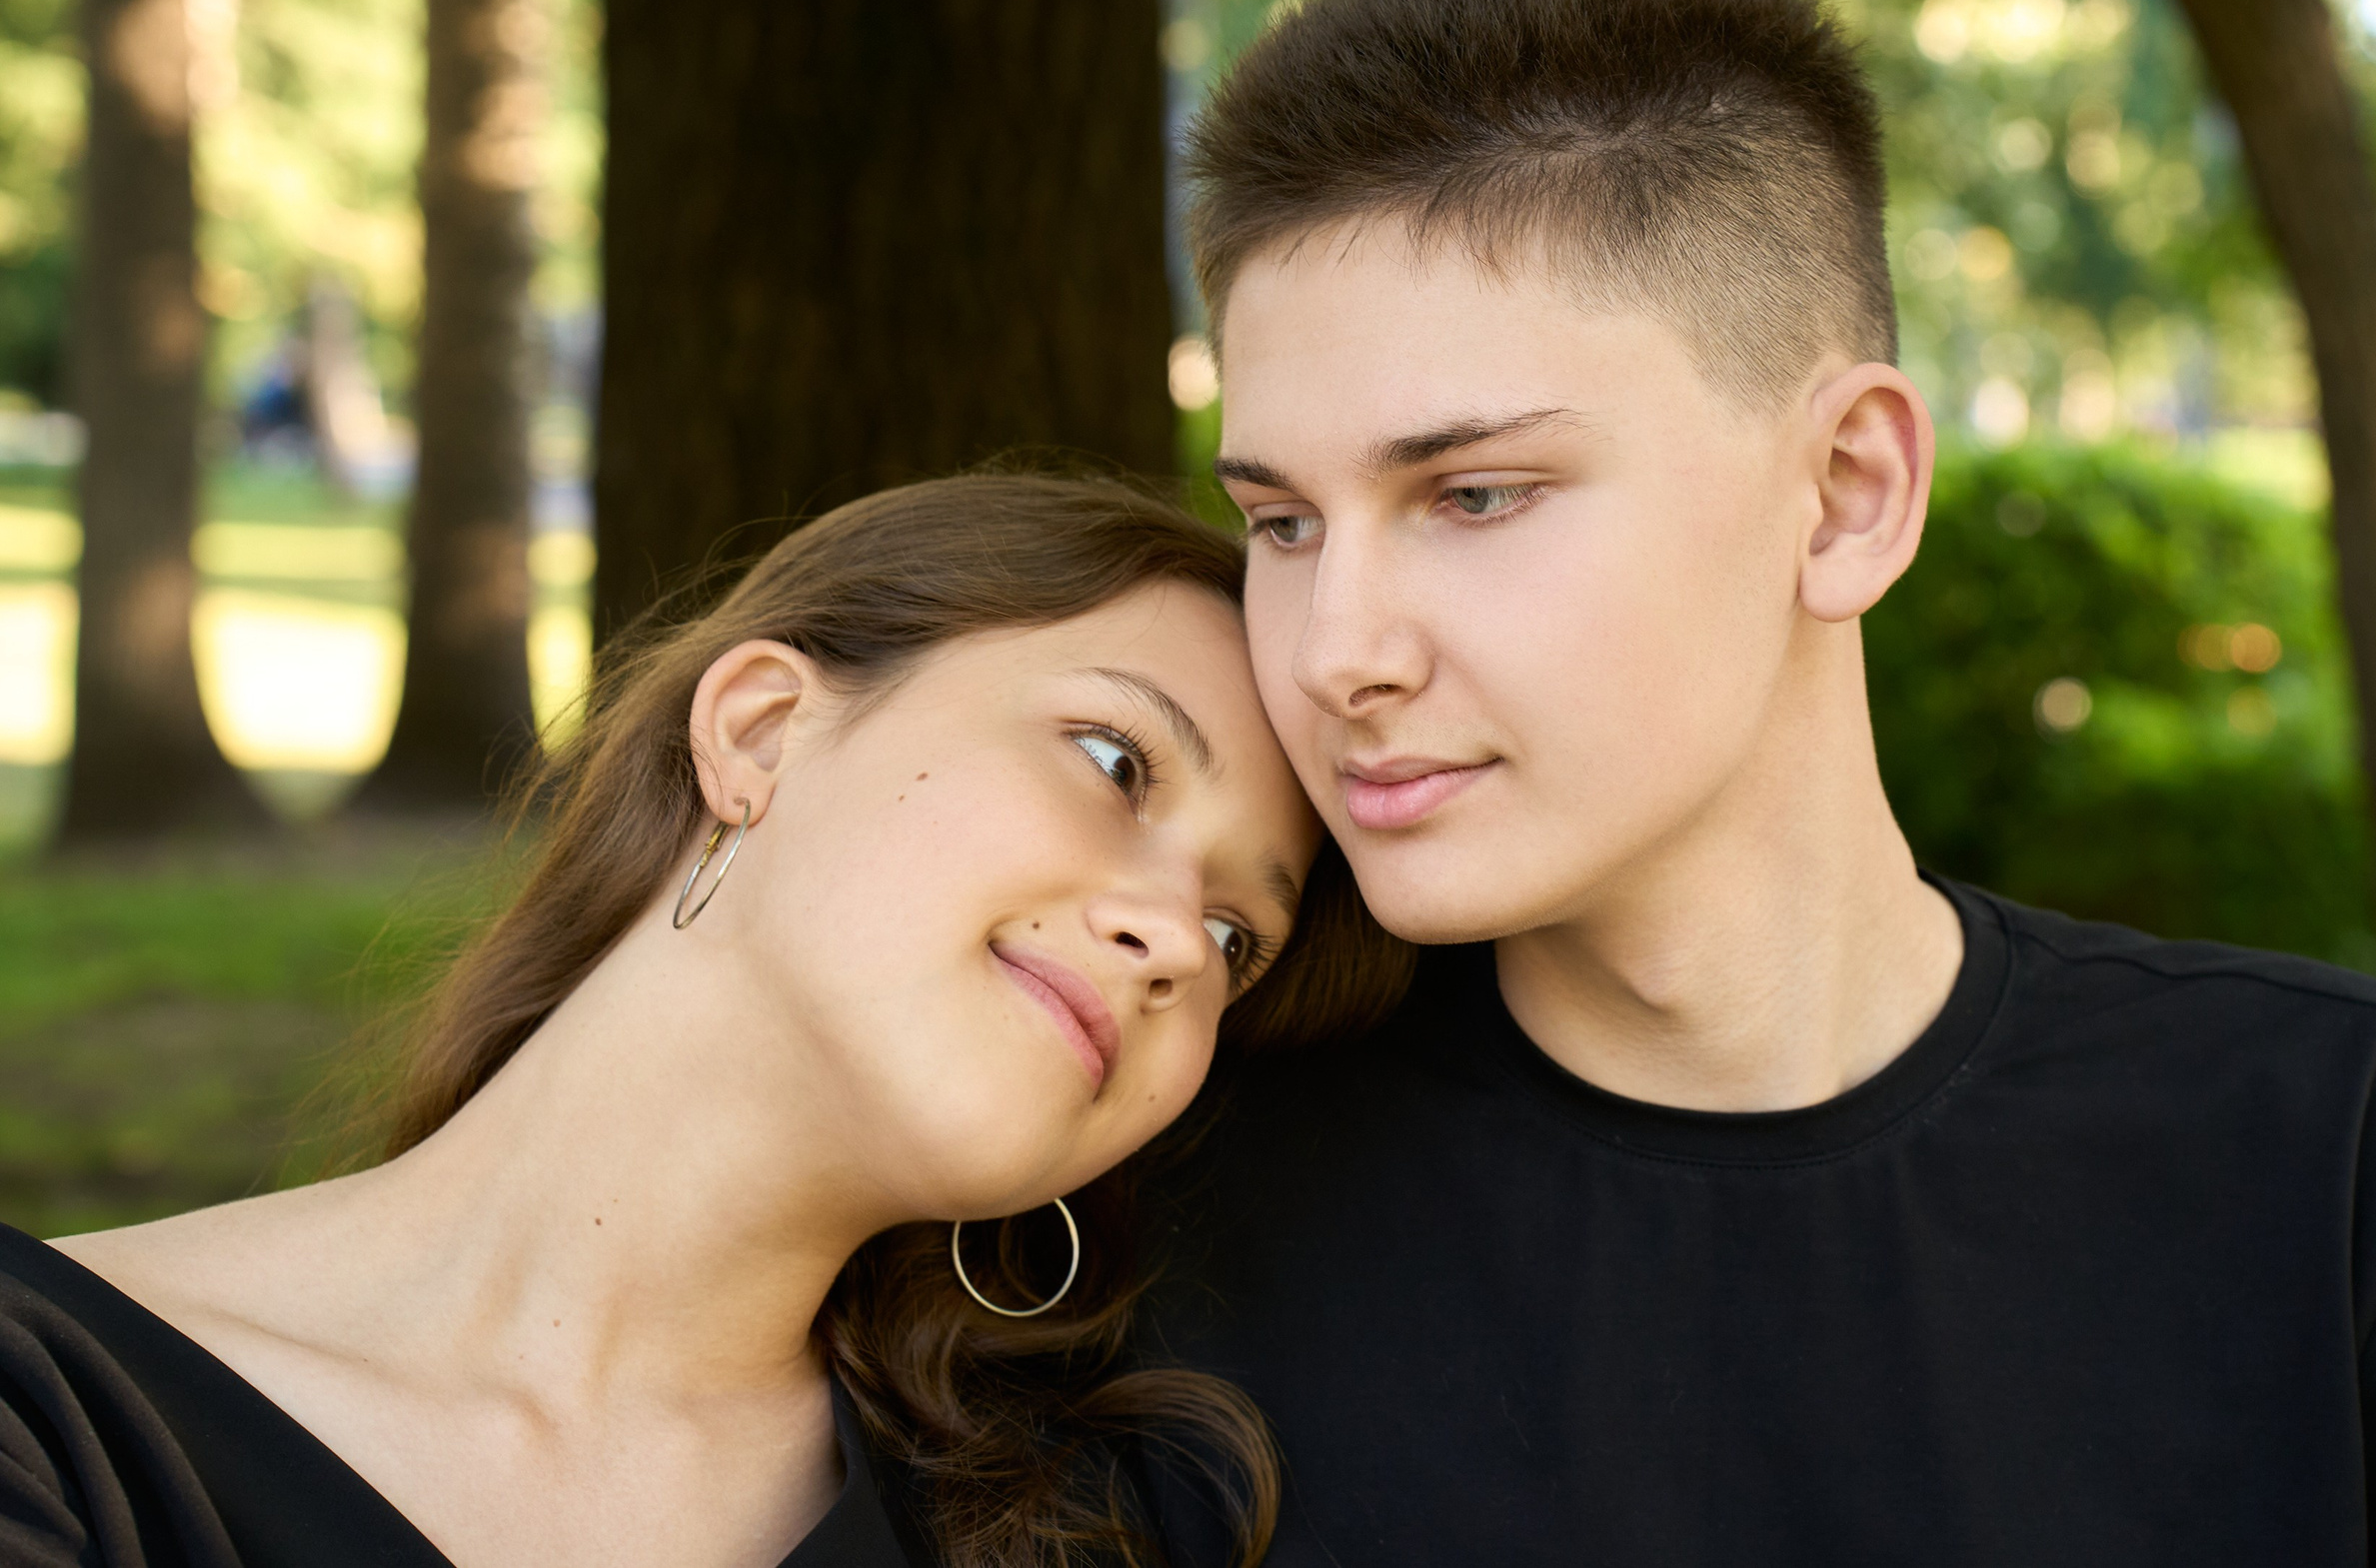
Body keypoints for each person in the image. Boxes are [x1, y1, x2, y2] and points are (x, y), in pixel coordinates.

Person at [1140, 0, 2376, 1565]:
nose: (1336, 655)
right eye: (1284, 524)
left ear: (1848, 494)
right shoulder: (1167, 1221)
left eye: (1474, 496)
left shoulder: (2364, 1178)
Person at [0, 474, 1407, 1568]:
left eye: (1240, 937)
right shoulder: (51, 1415)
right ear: (759, 730)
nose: (1174, 938)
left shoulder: (1110, 1526)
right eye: (1117, 759)